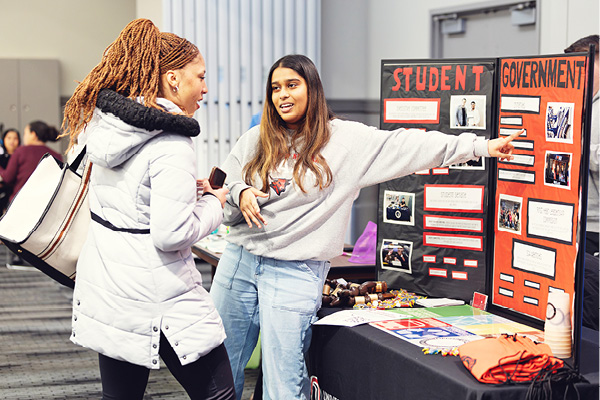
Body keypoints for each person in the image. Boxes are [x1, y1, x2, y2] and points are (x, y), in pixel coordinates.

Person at [209, 54, 522, 399]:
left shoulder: (346, 141)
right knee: (219, 372)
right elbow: (225, 189)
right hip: (240, 261)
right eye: (275, 88)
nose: (282, 95)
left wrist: (480, 146)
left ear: (312, 89)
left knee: (284, 385)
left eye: (292, 85)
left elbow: (410, 144)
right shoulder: (256, 139)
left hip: (294, 271)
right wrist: (240, 193)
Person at [61, 18, 235, 400]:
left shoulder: (105, 124)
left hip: (111, 286)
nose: (205, 87)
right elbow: (170, 234)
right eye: (200, 76)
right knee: (220, 394)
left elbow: (127, 199)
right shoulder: (171, 141)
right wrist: (213, 203)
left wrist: (181, 194)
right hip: (161, 294)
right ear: (173, 79)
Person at [565, 34, 599, 331]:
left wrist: (574, 143)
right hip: (572, 222)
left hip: (596, 225)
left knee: (594, 303)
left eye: (586, 63)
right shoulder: (579, 98)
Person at [0, 128, 20, 213]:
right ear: (3, 140)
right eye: (9, 138)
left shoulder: (21, 158)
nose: (12, 141)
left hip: (17, 194)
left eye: (15, 138)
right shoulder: (1, 158)